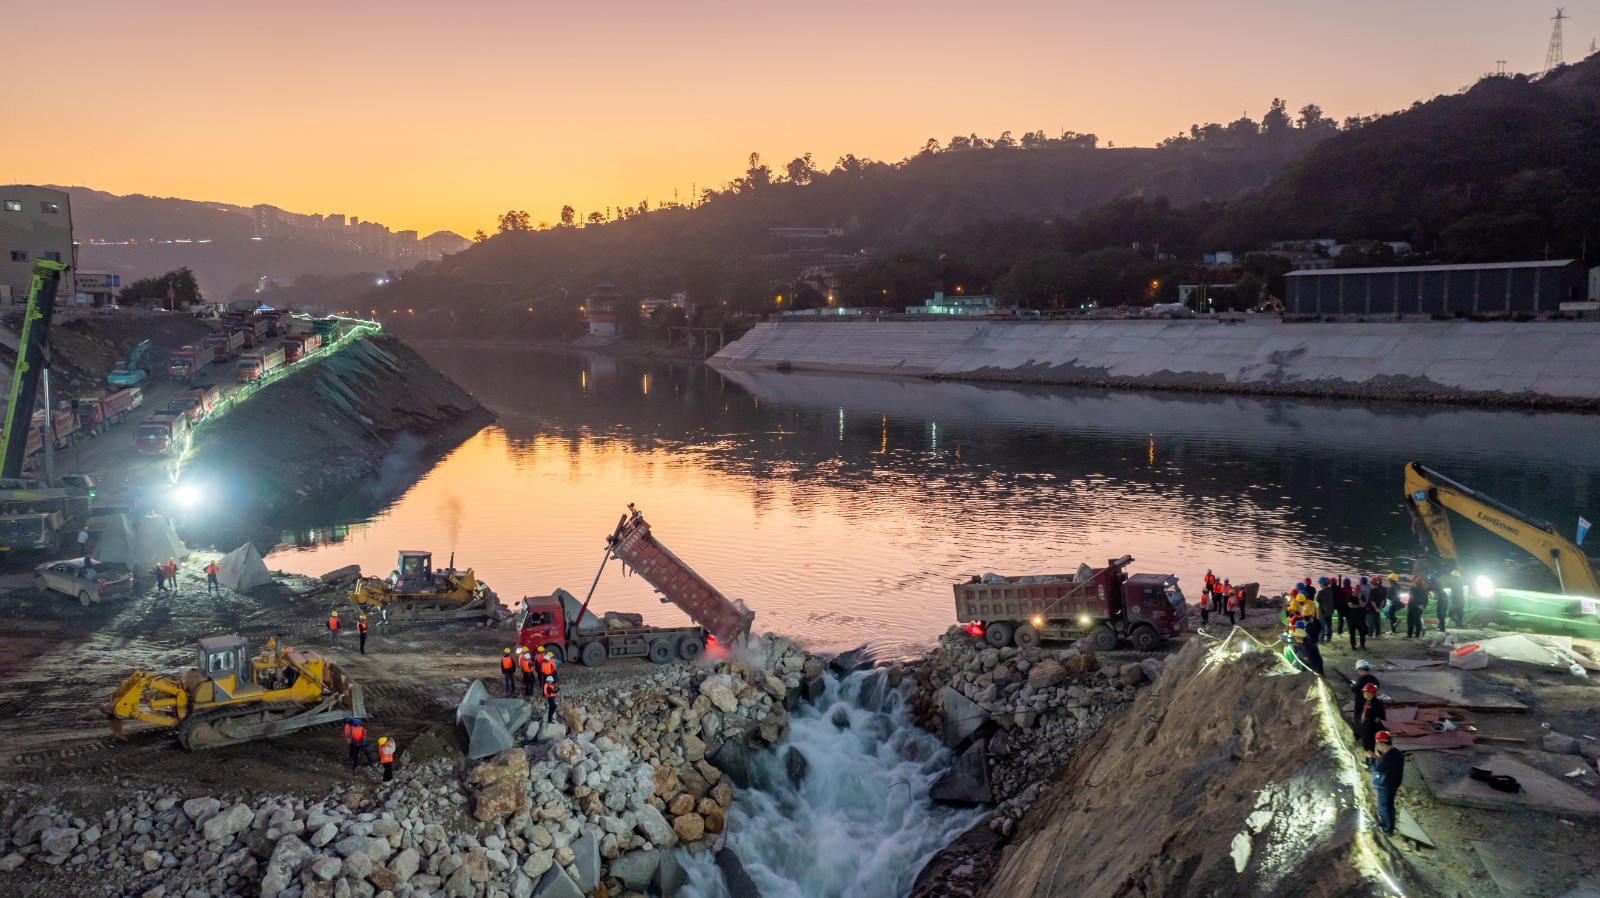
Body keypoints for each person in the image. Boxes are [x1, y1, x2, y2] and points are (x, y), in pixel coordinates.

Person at [1372, 730, 1404, 835]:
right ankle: (1391, 826)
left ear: (1381, 743)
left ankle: (1387, 829)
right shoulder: (1398, 753)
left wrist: (1372, 758)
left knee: (1383, 807)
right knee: (1390, 805)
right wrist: (1378, 758)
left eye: (1378, 744)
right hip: (1394, 784)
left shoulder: (1386, 758)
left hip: (1385, 785)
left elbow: (1377, 769)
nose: (1378, 746)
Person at [1359, 683, 1387, 758]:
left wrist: (1378, 718)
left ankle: (1372, 761)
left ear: (1370, 693)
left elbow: (1380, 715)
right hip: (1367, 729)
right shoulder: (1369, 702)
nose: (1363, 693)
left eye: (1365, 692)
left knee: (1369, 749)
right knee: (1368, 747)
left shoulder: (1374, 704)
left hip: (1370, 731)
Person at [1315, 578, 1340, 646]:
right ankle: (1329, 639)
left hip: (1322, 612)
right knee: (1329, 626)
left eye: (1320, 583)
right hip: (1330, 611)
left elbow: (1316, 599)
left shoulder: (1321, 592)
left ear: (1323, 583)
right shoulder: (1330, 590)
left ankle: (1321, 640)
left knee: (1322, 626)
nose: (1320, 584)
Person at [1345, 582, 1368, 649]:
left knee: (1362, 633)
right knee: (1352, 633)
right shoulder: (1350, 597)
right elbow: (1351, 606)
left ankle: (1362, 645)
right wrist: (1359, 606)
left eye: (1355, 591)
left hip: (1360, 618)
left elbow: (1363, 605)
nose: (1354, 592)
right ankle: (1353, 646)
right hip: (1352, 618)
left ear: (1359, 592)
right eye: (1354, 591)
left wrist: (1359, 598)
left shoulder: (1362, 597)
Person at [1366, 576, 1387, 641]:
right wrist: (1379, 608)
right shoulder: (1381, 590)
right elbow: (1383, 600)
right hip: (1378, 609)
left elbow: (1372, 601)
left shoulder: (1372, 591)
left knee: (1371, 623)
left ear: (1371, 583)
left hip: (1371, 609)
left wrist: (1376, 608)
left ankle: (1370, 635)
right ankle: (1378, 635)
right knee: (1377, 622)